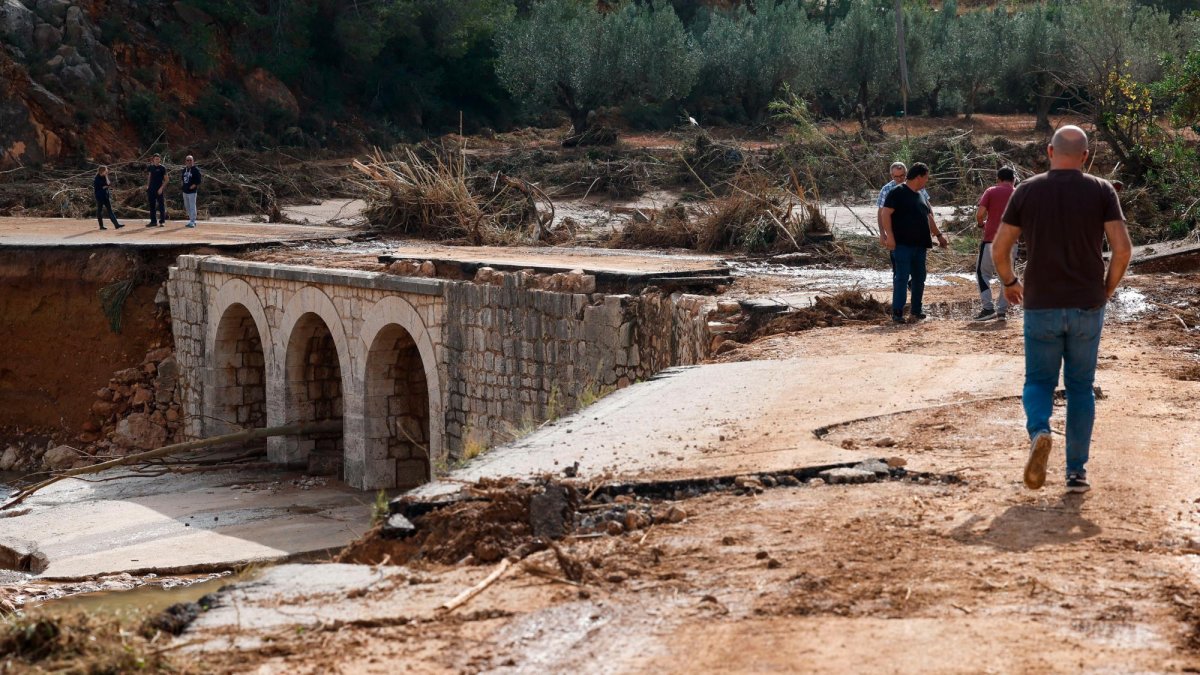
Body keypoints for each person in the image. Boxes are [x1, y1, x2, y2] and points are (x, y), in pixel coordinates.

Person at [992, 125, 1132, 494]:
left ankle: (1040, 430)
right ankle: (1076, 473)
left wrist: (1009, 283)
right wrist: (1106, 288)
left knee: (1038, 381)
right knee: (1081, 387)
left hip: (1041, 303)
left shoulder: (1028, 190)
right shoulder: (1101, 190)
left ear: (1049, 152)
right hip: (1087, 303)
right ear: (1085, 156)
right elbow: (1122, 249)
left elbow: (999, 247)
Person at [880, 162, 949, 324]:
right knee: (901, 277)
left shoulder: (920, 195)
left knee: (919, 278)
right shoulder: (897, 192)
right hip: (902, 244)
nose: (926, 181)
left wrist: (939, 236)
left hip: (920, 245)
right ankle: (897, 313)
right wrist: (889, 236)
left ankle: (916, 311)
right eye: (926, 178)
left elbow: (928, 217)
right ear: (919, 177)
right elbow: (885, 214)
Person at [973, 167, 1017, 321]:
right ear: (1013, 179)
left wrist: (981, 224)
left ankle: (987, 308)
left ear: (998, 179)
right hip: (1012, 242)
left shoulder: (991, 191)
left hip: (992, 239)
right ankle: (1002, 312)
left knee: (982, 274)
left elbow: (980, 214)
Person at [92, 166, 123, 230]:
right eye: (106, 171)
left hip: (105, 195)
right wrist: (105, 186)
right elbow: (101, 187)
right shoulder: (97, 178)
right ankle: (101, 226)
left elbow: (108, 184)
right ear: (102, 171)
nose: (107, 171)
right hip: (99, 196)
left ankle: (116, 225)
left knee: (110, 210)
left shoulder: (104, 177)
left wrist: (106, 176)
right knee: (99, 211)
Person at [146, 153, 167, 228]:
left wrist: (161, 188)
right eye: (155, 159)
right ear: (153, 160)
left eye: (158, 159)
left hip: (159, 189)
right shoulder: (150, 167)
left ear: (160, 159)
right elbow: (149, 176)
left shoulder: (162, 168)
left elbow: (166, 180)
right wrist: (148, 186)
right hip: (151, 189)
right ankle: (153, 221)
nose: (157, 160)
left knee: (161, 206)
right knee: (152, 206)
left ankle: (162, 221)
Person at [181, 155, 202, 228]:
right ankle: (191, 220)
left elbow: (199, 181)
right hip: (185, 191)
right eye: (187, 160)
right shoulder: (184, 170)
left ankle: (193, 221)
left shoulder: (195, 170)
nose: (189, 161)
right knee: (187, 206)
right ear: (185, 161)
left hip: (192, 192)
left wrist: (193, 186)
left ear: (193, 161)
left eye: (190, 160)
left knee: (192, 206)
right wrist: (183, 187)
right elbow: (182, 179)